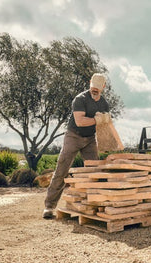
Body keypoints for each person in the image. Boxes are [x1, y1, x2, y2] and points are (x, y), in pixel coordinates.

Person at [43, 73, 111, 219]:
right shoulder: (80, 99)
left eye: (97, 89)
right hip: (73, 136)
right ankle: (49, 206)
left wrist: (106, 140)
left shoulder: (104, 104)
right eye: (93, 87)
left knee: (95, 171)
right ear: (89, 84)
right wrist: (96, 119)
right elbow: (80, 121)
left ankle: (97, 205)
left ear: (103, 87)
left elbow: (105, 126)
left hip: (90, 139)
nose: (94, 90)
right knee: (62, 168)